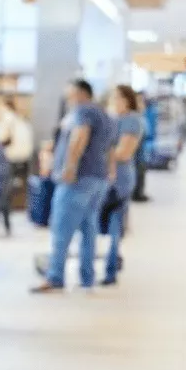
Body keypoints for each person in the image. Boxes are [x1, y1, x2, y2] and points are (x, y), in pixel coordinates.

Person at [31, 79, 114, 292]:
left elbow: (80, 136)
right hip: (98, 178)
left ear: (80, 93)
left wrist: (69, 167)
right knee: (89, 229)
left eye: (70, 95)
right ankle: (87, 278)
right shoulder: (103, 114)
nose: (68, 99)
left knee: (61, 227)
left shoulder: (83, 111)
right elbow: (110, 147)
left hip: (78, 179)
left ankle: (55, 276)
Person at [102, 85, 147, 286]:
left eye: (118, 98)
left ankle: (111, 268)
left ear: (127, 100)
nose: (115, 102)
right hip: (105, 177)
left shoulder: (132, 121)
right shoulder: (113, 119)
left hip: (120, 179)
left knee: (114, 224)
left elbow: (123, 153)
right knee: (107, 224)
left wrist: (100, 153)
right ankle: (110, 261)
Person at [0, 98, 35, 188]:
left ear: (5, 107)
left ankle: (4, 198)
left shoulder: (7, 116)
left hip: (13, 155)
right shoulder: (19, 118)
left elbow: (5, 138)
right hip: (26, 155)